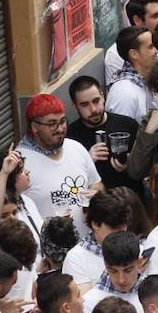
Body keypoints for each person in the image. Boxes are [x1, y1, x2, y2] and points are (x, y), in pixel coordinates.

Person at [16, 94, 103, 238]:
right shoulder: (21, 163)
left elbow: (97, 184)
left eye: (63, 121)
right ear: (35, 127)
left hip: (86, 244)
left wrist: (95, 195)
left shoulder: (76, 148)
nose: (60, 128)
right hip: (50, 253)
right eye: (52, 124)